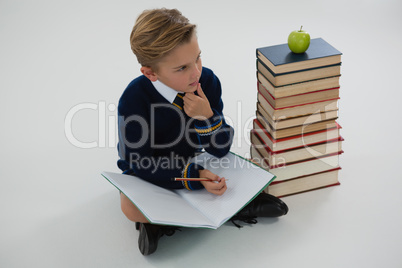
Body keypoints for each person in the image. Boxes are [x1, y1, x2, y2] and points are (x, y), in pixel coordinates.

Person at [116, 8, 288, 255]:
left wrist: (207, 117)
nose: (195, 72)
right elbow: (139, 162)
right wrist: (194, 177)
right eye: (182, 68)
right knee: (129, 205)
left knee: (247, 166)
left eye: (197, 58)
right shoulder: (134, 100)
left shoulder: (206, 82)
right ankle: (157, 222)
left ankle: (185, 215)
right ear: (150, 73)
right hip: (151, 169)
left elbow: (220, 149)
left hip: (196, 158)